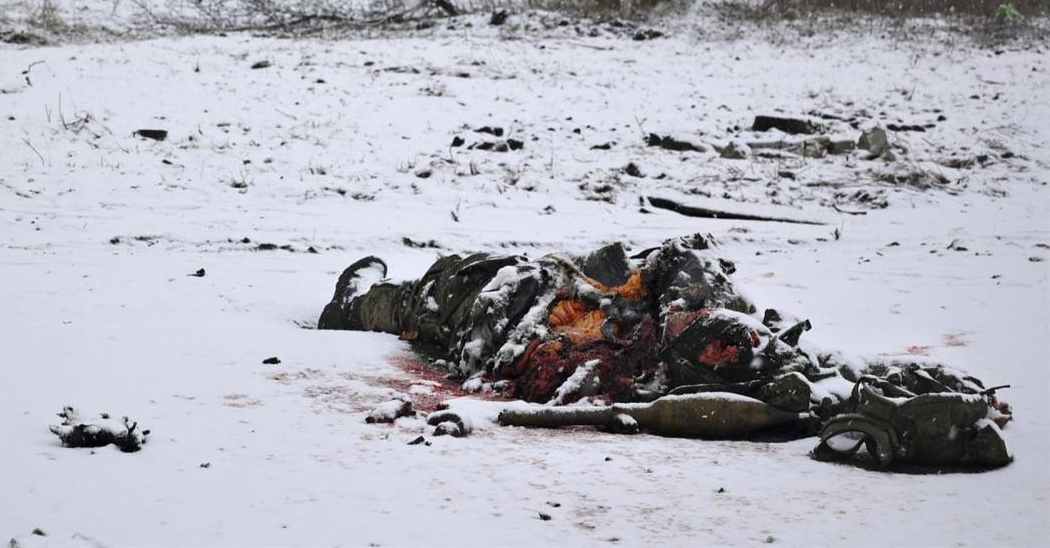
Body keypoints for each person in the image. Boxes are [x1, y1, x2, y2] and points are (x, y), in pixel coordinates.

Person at [319, 234, 1013, 469]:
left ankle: (358, 302)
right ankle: (370, 298)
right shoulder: (739, 348)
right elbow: (678, 271)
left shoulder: (669, 373)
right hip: (575, 320)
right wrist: (630, 291)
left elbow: (578, 398)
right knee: (484, 284)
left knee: (466, 286)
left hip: (530, 331)